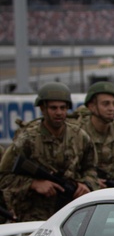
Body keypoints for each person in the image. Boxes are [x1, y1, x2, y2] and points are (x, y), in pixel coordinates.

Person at [0, 82, 99, 221]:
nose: (59, 112)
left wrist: (86, 184)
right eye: (53, 108)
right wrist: (34, 184)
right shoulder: (27, 139)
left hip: (70, 212)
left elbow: (91, 168)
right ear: (43, 109)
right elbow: (4, 178)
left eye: (63, 108)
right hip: (34, 214)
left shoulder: (80, 137)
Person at [74, 81, 114, 187]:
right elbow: (70, 168)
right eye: (106, 104)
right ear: (92, 106)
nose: (111, 108)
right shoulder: (78, 132)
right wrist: (90, 181)